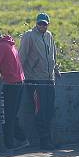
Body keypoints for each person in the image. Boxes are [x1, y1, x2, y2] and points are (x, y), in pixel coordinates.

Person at [19, 12, 60, 149]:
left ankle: (50, 139)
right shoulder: (28, 36)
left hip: (49, 79)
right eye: (40, 23)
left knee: (49, 110)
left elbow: (53, 54)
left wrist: (55, 69)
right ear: (36, 23)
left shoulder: (49, 36)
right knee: (40, 111)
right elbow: (22, 57)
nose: (42, 26)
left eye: (45, 23)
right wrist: (19, 76)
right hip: (35, 80)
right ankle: (44, 140)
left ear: (48, 24)